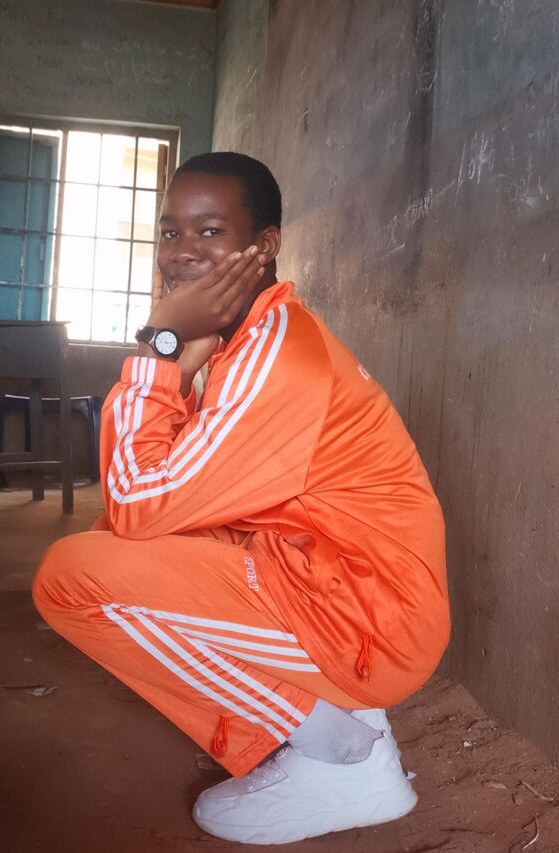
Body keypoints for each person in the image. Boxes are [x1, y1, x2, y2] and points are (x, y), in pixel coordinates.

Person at [33, 152, 450, 845]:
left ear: (264, 246)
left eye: (210, 231)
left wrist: (159, 351)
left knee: (72, 580)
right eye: (171, 232)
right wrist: (180, 362)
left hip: (369, 627)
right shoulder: (252, 338)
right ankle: (335, 722)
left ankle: (341, 752)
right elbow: (157, 493)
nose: (182, 251)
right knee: (116, 541)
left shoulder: (276, 355)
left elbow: (139, 498)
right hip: (319, 578)